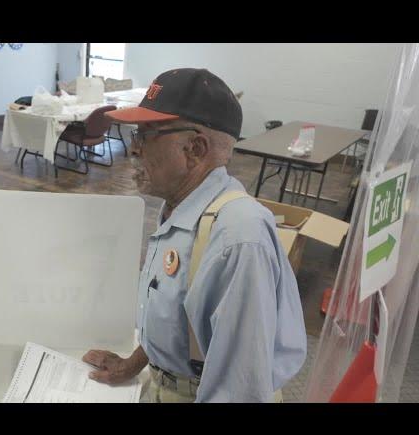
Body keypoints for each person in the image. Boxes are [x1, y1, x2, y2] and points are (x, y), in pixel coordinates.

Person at [82, 68, 307, 402]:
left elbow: (240, 391)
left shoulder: (237, 238)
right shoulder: (181, 209)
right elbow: (178, 314)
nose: (133, 149)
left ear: (195, 149)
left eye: (145, 136)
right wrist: (135, 364)